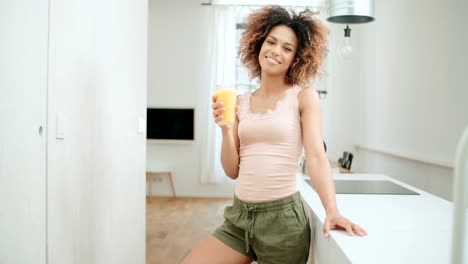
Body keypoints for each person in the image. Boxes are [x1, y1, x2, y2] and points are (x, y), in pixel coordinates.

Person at [182, 5, 367, 264]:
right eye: (271, 42)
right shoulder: (240, 102)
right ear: (259, 44)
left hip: (283, 222)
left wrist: (332, 210)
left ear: (296, 58)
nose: (276, 51)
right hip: (239, 218)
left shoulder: (304, 97)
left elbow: (315, 156)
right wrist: (225, 130)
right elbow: (232, 170)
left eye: (287, 48)